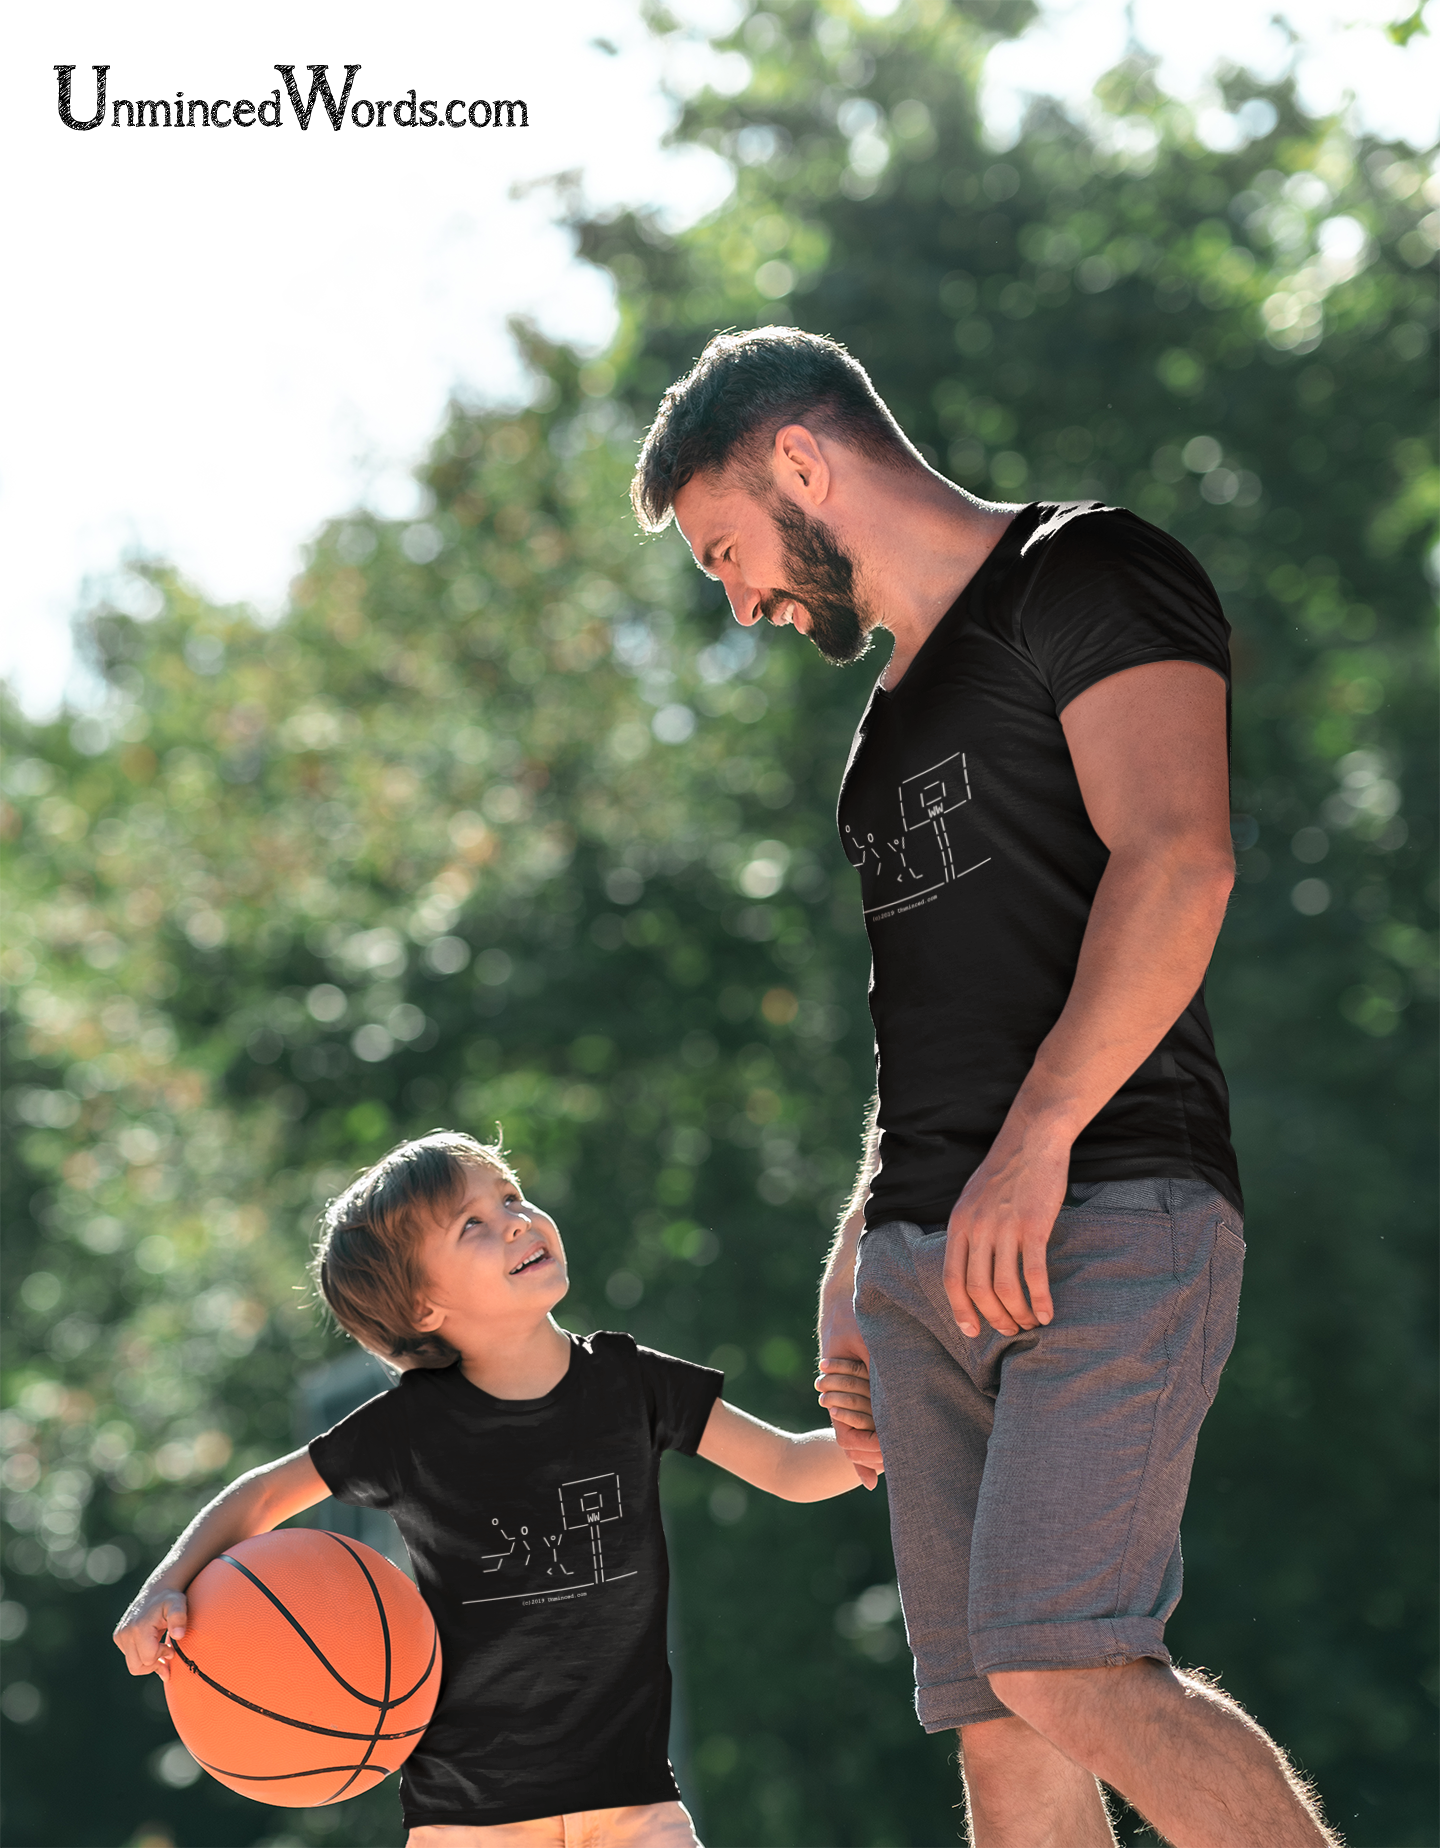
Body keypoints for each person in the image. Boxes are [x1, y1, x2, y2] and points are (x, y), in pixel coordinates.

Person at [632, 328, 1339, 1848]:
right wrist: (857, 1253)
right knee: (1002, 1734)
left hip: (1108, 1205)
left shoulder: (1085, 572)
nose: (742, 597)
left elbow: (1180, 856)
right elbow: (934, 1024)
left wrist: (1035, 1147)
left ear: (803, 462)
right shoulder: (882, 731)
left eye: (725, 551)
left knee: (1065, 1655)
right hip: (925, 1265)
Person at [113, 1129, 880, 1847]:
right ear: (423, 1307)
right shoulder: (410, 1430)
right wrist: (164, 1586)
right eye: (470, 1224)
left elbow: (787, 1466)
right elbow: (258, 1498)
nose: (514, 1221)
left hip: (636, 1804)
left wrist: (896, 1433)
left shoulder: (631, 1383)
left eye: (510, 1197)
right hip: (469, 1817)